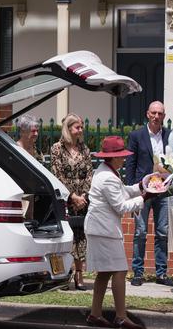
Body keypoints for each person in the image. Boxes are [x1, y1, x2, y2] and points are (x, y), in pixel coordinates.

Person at [84, 136, 148, 329]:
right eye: (121, 156)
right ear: (112, 158)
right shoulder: (108, 176)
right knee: (119, 270)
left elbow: (124, 191)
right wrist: (146, 197)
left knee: (104, 273)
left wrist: (143, 185)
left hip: (101, 229)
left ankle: (95, 314)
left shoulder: (107, 171)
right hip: (103, 230)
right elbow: (121, 206)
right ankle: (121, 316)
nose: (124, 159)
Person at [125, 101, 173, 287]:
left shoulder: (170, 136)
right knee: (140, 232)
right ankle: (138, 272)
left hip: (163, 190)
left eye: (160, 113)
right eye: (153, 113)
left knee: (162, 232)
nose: (156, 116)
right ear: (147, 114)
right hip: (143, 191)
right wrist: (132, 189)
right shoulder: (137, 135)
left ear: (164, 115)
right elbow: (130, 163)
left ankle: (161, 273)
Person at [50, 113, 93, 290]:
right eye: (77, 127)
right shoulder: (57, 149)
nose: (81, 130)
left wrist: (83, 196)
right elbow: (56, 174)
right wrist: (72, 196)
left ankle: (79, 274)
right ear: (68, 129)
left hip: (82, 201)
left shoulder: (85, 149)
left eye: (81, 127)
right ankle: (63, 275)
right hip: (65, 200)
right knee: (65, 237)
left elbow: (90, 173)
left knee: (80, 237)